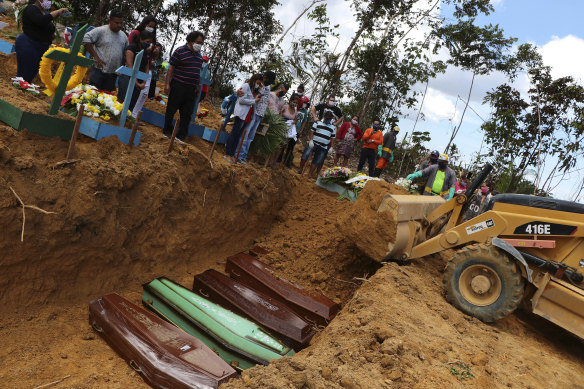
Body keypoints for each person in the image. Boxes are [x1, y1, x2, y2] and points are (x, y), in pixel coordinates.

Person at [162, 31, 205, 142]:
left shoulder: (199, 55)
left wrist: (198, 85)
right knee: (171, 109)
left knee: (187, 113)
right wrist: (167, 84)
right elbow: (171, 68)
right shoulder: (180, 51)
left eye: (201, 43)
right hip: (178, 85)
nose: (199, 45)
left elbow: (198, 72)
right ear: (191, 40)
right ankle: (167, 131)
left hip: (191, 89)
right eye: (198, 42)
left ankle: (181, 135)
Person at [15, 0, 69, 82]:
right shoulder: (31, 8)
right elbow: (41, 21)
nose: (49, 2)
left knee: (31, 73)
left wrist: (49, 36)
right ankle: (17, 91)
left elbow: (43, 26)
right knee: (24, 74)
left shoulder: (43, 13)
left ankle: (22, 91)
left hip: (40, 48)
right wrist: (57, 12)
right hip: (29, 45)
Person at [83, 9, 128, 92]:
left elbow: (127, 52)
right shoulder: (101, 30)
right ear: (110, 21)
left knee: (106, 98)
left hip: (112, 74)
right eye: (116, 22)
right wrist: (96, 57)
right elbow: (86, 39)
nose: (119, 25)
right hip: (98, 70)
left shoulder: (124, 36)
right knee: (92, 94)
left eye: (121, 23)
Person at [237, 70, 276, 164]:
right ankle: (238, 155)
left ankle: (243, 156)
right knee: (245, 134)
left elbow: (265, 101)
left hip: (259, 114)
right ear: (265, 77)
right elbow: (246, 93)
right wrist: (238, 91)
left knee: (251, 137)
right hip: (253, 112)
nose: (269, 83)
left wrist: (262, 114)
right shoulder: (256, 84)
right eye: (269, 81)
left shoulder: (268, 87)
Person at [225, 74, 263, 162]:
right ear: (254, 80)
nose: (258, 84)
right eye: (258, 82)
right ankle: (228, 153)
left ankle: (232, 155)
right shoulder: (246, 86)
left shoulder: (254, 89)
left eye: (260, 83)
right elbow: (241, 100)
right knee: (234, 134)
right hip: (241, 114)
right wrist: (254, 101)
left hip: (247, 115)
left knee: (238, 136)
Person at [118, 29, 153, 112]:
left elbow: (146, 67)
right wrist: (136, 82)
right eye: (147, 42)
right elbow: (130, 64)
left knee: (131, 106)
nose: (148, 44)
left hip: (139, 82)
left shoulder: (145, 52)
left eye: (149, 43)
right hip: (127, 79)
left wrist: (144, 82)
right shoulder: (131, 48)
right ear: (141, 39)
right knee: (122, 103)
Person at [298, 111, 336, 179]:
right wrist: (311, 140)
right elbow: (312, 131)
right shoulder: (317, 122)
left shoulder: (333, 127)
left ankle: (310, 174)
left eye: (329, 118)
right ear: (324, 117)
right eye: (327, 118)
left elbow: (332, 138)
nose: (327, 119)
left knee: (317, 161)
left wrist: (331, 147)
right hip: (314, 143)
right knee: (305, 155)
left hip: (323, 146)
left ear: (331, 119)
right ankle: (300, 170)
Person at [278, 94, 300, 168]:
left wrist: (294, 121)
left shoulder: (295, 111)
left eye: (296, 103)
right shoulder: (285, 106)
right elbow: (280, 115)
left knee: (284, 144)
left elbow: (296, 119)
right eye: (294, 102)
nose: (295, 104)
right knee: (279, 143)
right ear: (290, 100)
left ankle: (280, 160)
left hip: (289, 129)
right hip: (281, 126)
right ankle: (275, 158)